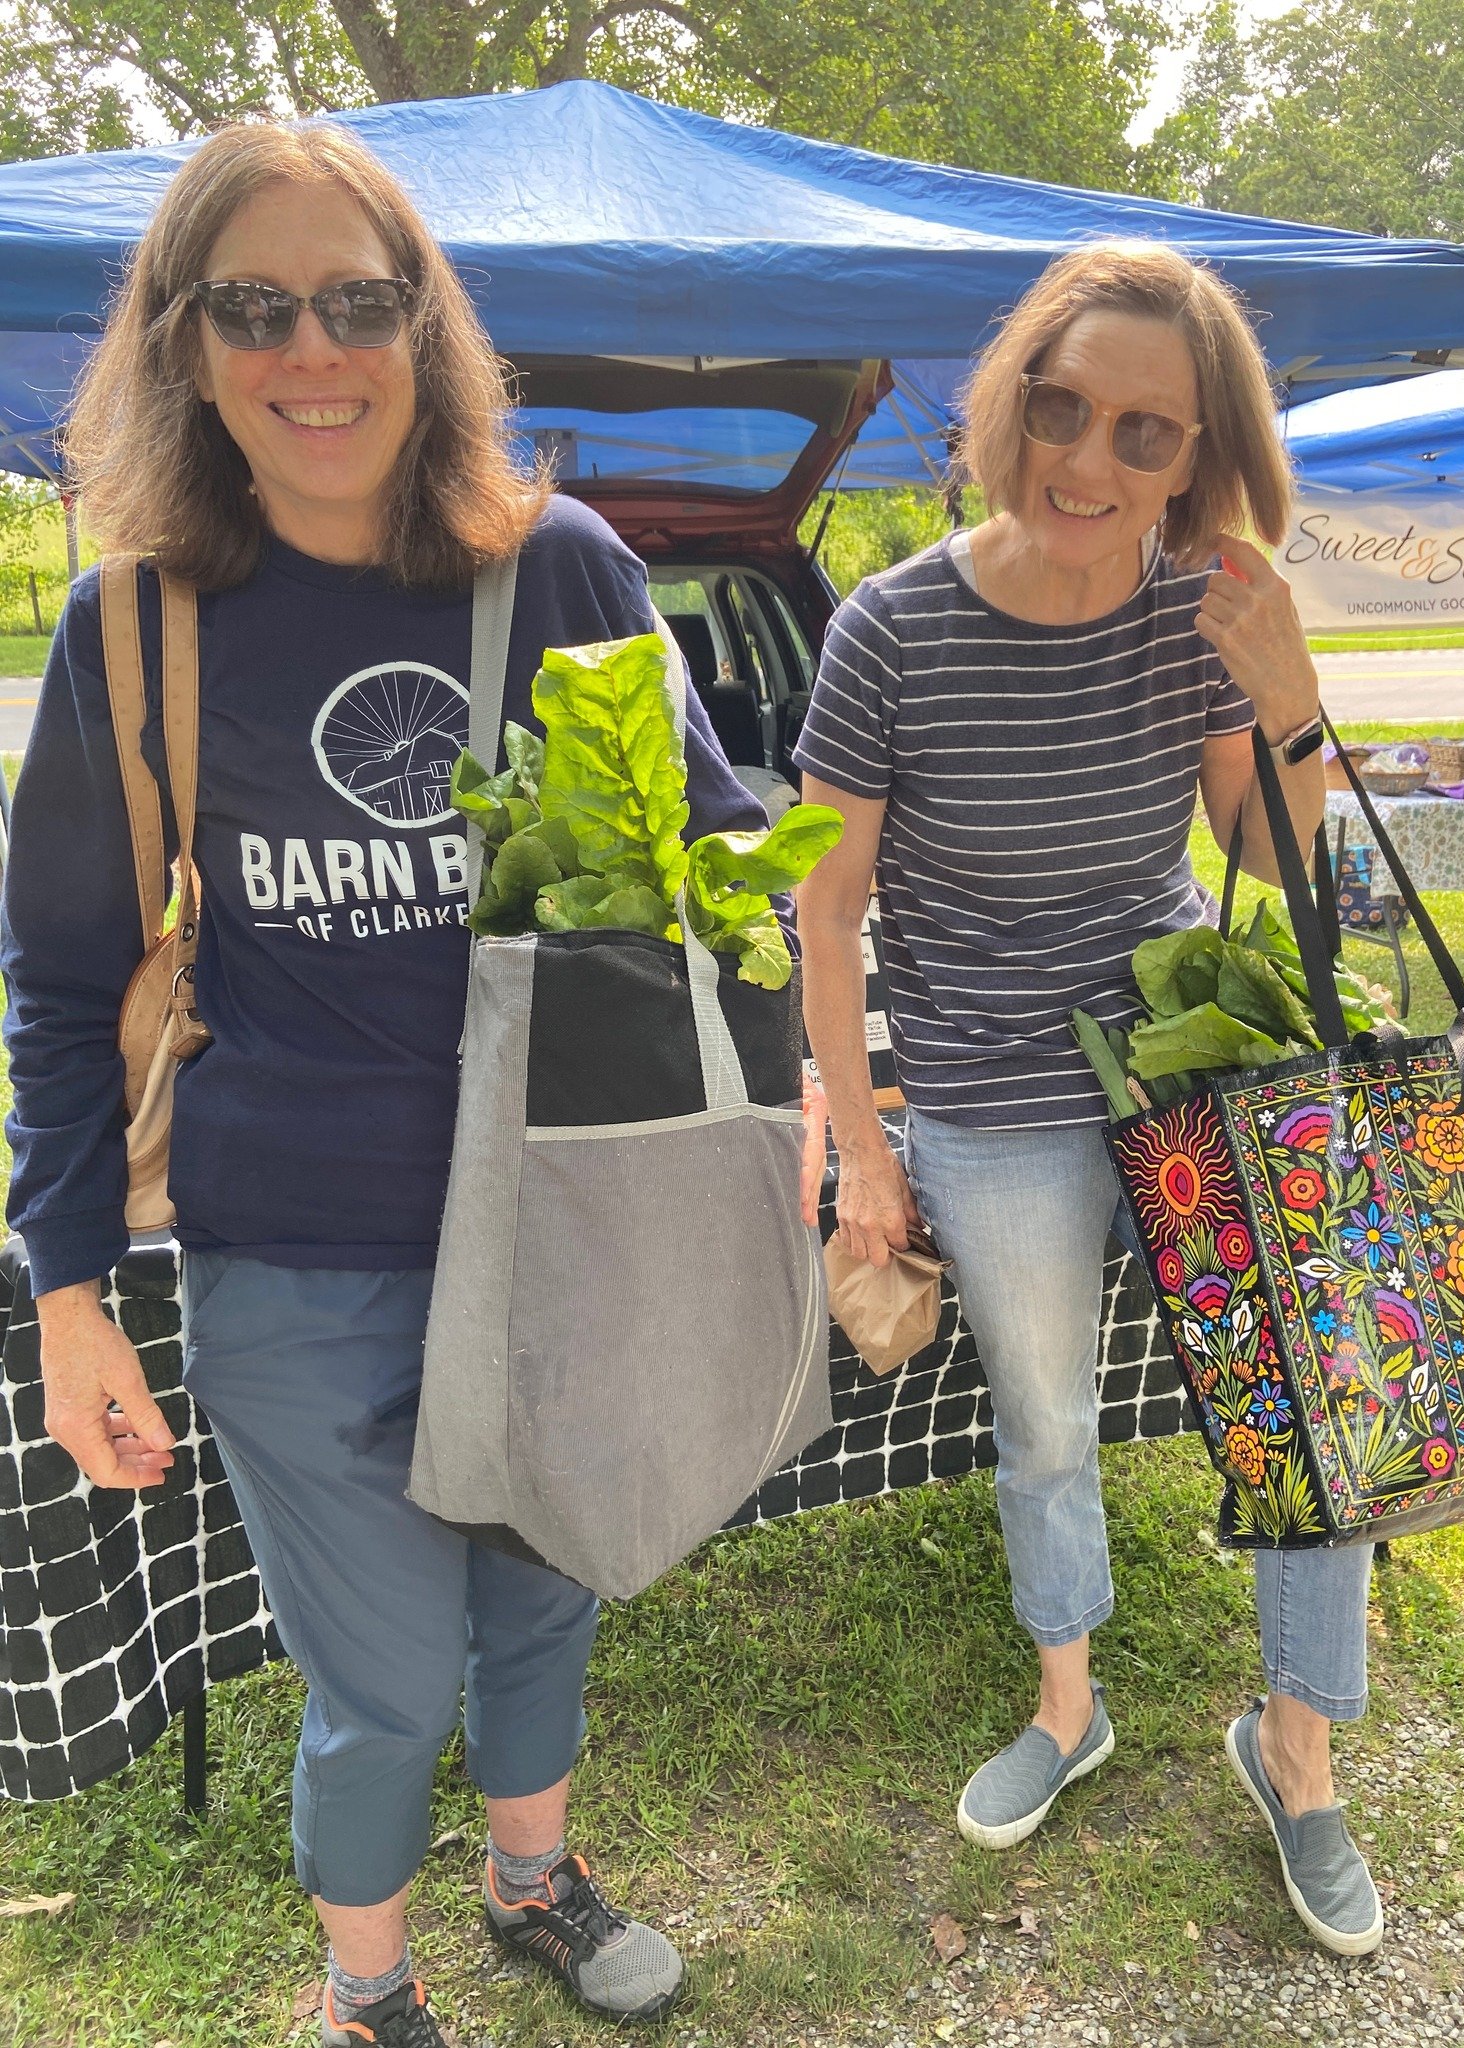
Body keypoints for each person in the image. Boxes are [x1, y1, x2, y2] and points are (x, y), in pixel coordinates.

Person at [2, 121, 769, 2044]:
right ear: (184, 344)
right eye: (253, 306)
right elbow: (66, 979)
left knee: (545, 1595)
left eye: (363, 300)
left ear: (427, 331)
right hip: (295, 1259)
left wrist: (805, 1088)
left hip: (569, 1224)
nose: (313, 350)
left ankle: (533, 1881)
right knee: (384, 1675)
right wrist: (73, 1297)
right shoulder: (137, 623)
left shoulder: (565, 572)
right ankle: (365, 1993)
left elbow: (720, 860)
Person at [794, 243, 1384, 1957]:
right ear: (1009, 403)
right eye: (1064, 407)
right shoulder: (888, 626)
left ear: (1198, 461)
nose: (1093, 460)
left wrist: (1289, 705)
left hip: (1185, 1057)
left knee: (1298, 1379)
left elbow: (1275, 871)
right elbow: (828, 913)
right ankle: (1073, 1702)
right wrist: (862, 1152)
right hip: (985, 1086)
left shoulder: (1201, 610)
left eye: (1149, 433)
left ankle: (1300, 1752)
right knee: (1046, 1421)